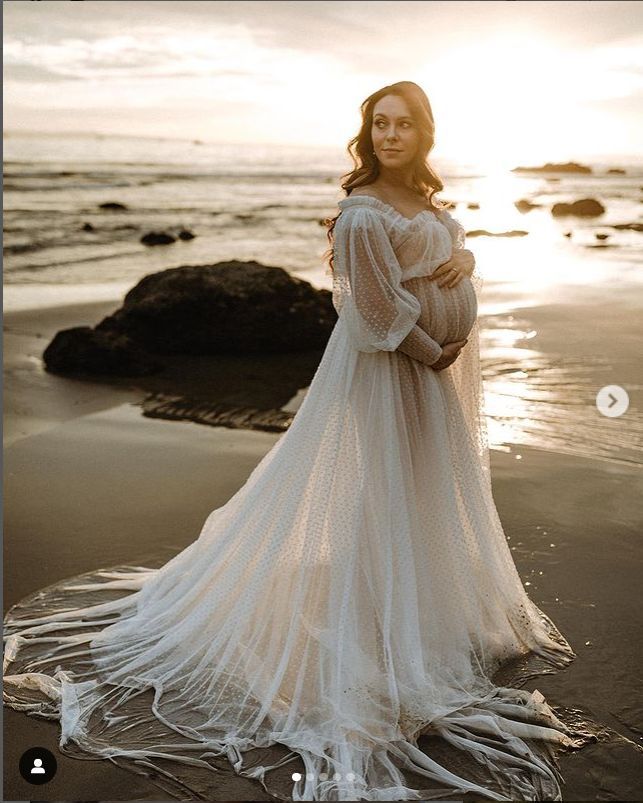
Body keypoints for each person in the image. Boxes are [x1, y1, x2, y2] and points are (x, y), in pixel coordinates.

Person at [3, 81, 586, 802]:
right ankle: (373, 615)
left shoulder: (431, 204)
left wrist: (463, 269)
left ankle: (407, 605)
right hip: (390, 373)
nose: (390, 135)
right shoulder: (361, 211)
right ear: (366, 132)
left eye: (404, 124)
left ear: (424, 133)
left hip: (433, 371)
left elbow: (448, 255)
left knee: (425, 482)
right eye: (379, 124)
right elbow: (369, 309)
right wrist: (429, 345)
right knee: (384, 483)